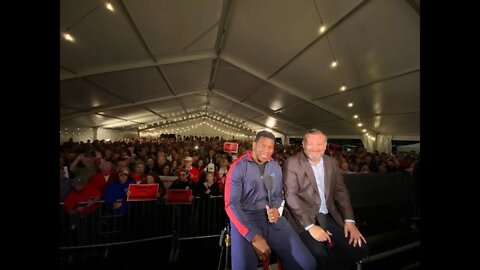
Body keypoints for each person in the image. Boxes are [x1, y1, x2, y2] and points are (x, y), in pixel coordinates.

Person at [224, 130, 316, 270]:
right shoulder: (238, 167)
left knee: (307, 264)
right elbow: (231, 205)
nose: (267, 151)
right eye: (263, 146)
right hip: (245, 219)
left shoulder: (275, 167)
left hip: (272, 219)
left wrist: (276, 210)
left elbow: (278, 195)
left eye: (270, 147)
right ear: (254, 145)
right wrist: (253, 237)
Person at [283, 129, 368, 270]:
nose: (315, 148)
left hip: (329, 215)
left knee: (359, 248)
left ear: (325, 145)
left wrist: (349, 221)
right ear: (303, 144)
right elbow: (290, 196)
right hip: (304, 217)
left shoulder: (332, 163)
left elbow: (341, 192)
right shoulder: (292, 163)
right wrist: (310, 226)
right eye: (310, 144)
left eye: (319, 144)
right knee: (319, 254)